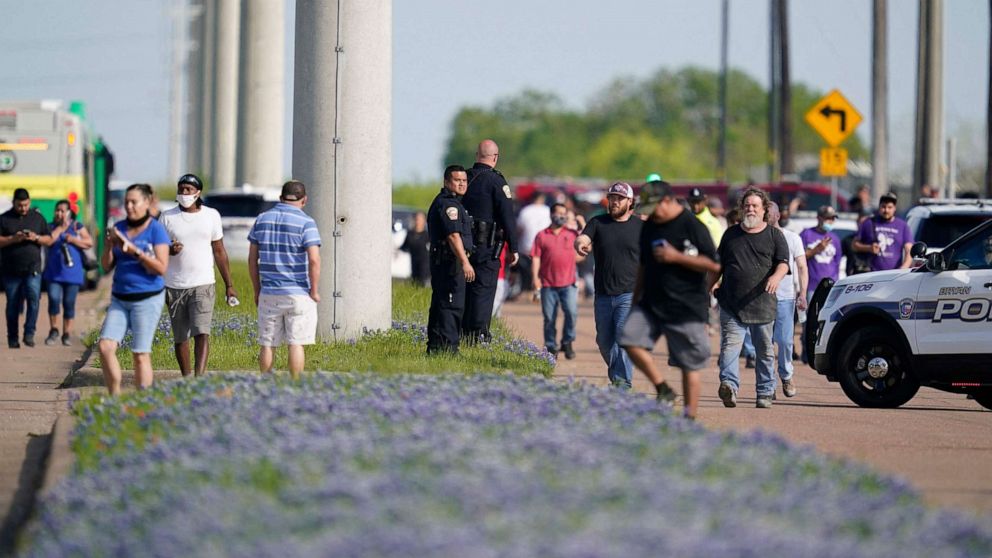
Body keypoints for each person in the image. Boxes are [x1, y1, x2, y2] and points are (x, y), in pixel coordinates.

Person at [618, 180, 720, 419]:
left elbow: (713, 264)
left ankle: (689, 418)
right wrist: (635, 299)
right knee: (629, 338)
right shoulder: (650, 225)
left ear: (667, 201)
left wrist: (677, 257)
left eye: (654, 208)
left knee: (688, 363)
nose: (651, 214)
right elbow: (643, 264)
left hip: (686, 304)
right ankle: (663, 388)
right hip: (652, 301)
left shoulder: (692, 225)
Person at [710, 188, 790, 409]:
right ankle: (729, 385)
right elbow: (718, 265)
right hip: (731, 304)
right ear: (741, 208)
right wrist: (707, 287)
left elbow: (783, 263)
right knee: (730, 347)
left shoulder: (775, 236)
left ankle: (764, 391)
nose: (750, 209)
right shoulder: (731, 234)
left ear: (764, 210)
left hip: (763, 304)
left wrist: (776, 276)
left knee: (764, 351)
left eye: (755, 205)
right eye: (747, 205)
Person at [159, 173, 237, 377]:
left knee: (201, 332)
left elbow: (219, 251)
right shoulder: (167, 217)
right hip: (175, 285)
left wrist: (229, 285)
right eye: (181, 189)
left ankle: (199, 377)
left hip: (203, 283)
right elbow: (157, 249)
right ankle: (186, 378)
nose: (183, 193)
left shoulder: (211, 215)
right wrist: (169, 250)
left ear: (197, 193)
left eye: (188, 190)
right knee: (180, 337)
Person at [97, 184, 170, 395]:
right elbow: (106, 265)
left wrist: (135, 251)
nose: (129, 206)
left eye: (134, 202)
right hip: (120, 298)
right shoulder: (119, 227)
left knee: (140, 354)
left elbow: (161, 268)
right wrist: (110, 245)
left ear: (147, 203)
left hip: (147, 298)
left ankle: (142, 401)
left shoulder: (156, 230)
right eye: (126, 202)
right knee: (105, 347)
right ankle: (115, 396)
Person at [248, 181, 321, 379]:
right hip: (298, 292)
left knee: (267, 343)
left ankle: (266, 382)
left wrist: (257, 290)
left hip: (269, 291)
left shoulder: (262, 219)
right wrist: (314, 290)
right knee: (295, 342)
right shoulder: (307, 223)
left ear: (281, 197)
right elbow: (314, 260)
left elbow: (252, 259)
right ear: (304, 200)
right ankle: (295, 383)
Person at [575, 182, 642, 389]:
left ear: (630, 202)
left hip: (629, 294)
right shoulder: (598, 222)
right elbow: (583, 237)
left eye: (619, 198)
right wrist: (581, 244)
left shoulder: (641, 227)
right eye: (612, 197)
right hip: (603, 294)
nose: (614, 202)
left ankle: (623, 384)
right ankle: (618, 377)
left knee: (623, 338)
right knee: (604, 342)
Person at [460, 139, 519, 344]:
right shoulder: (497, 182)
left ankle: (459, 333)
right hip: (486, 248)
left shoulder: (463, 179)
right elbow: (507, 217)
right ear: (495, 157)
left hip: (460, 247)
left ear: (477, 155)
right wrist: (514, 247)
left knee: (463, 289)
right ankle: (477, 335)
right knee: (482, 292)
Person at [426, 165, 474, 354]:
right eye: (457, 180)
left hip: (446, 262)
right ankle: (448, 348)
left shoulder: (454, 203)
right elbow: (453, 236)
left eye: (464, 181)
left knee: (442, 303)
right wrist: (465, 262)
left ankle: (437, 347)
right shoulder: (449, 205)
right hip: (449, 263)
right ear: (447, 182)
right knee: (451, 305)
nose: (462, 184)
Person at [0, 188, 52, 348]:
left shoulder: (37, 218)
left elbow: (49, 240)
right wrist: (13, 239)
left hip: (33, 269)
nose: (23, 208)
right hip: (11, 270)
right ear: (13, 203)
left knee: (34, 299)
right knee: (12, 304)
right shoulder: (4, 219)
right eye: (19, 205)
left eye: (25, 205)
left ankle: (29, 334)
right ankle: (13, 337)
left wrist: (35, 237)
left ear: (29, 202)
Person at [767, 202, 808, 398]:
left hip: (785, 297)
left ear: (777, 215)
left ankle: (786, 374)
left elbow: (801, 267)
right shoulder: (756, 238)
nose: (765, 216)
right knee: (764, 343)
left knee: (784, 341)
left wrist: (802, 293)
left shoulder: (792, 238)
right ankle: (768, 383)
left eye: (769, 212)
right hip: (762, 299)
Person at [532, 203, 582, 359]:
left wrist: (581, 222)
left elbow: (586, 247)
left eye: (564, 213)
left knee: (572, 313)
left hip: (569, 283)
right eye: (558, 213)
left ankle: (567, 341)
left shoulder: (573, 233)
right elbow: (536, 258)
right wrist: (535, 279)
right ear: (551, 214)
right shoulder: (541, 235)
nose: (561, 216)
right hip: (547, 283)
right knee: (549, 317)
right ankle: (551, 346)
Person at [42, 199, 94, 346]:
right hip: (53, 273)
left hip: (73, 274)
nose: (59, 213)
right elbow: (48, 241)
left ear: (69, 213)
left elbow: (89, 242)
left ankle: (67, 333)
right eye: (57, 210)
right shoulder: (50, 227)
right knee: (53, 299)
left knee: (69, 303)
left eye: (62, 211)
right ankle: (54, 330)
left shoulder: (77, 226)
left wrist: (72, 239)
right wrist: (60, 230)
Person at [853, 192, 914, 271]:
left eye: (889, 207)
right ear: (879, 207)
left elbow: (909, 249)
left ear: (894, 208)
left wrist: (904, 268)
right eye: (883, 207)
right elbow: (854, 245)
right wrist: (869, 248)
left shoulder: (902, 226)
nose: (886, 210)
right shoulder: (869, 223)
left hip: (893, 275)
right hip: (871, 273)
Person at [801, 206, 842, 298]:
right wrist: (817, 249)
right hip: (812, 286)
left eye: (833, 218)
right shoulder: (807, 234)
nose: (831, 221)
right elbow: (799, 257)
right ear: (819, 218)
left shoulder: (835, 238)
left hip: (831, 286)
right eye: (828, 218)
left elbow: (837, 263)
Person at [516, 192, 550, 293]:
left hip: (527, 246)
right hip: (544, 247)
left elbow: (519, 229)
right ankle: (539, 290)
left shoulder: (525, 211)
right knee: (542, 271)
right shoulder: (547, 210)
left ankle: (527, 290)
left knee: (526, 272)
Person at [400, 211, 430, 286]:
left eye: (420, 219)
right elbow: (404, 247)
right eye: (416, 219)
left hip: (425, 266)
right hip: (413, 263)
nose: (418, 221)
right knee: (415, 282)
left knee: (423, 282)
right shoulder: (410, 234)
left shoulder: (427, 235)